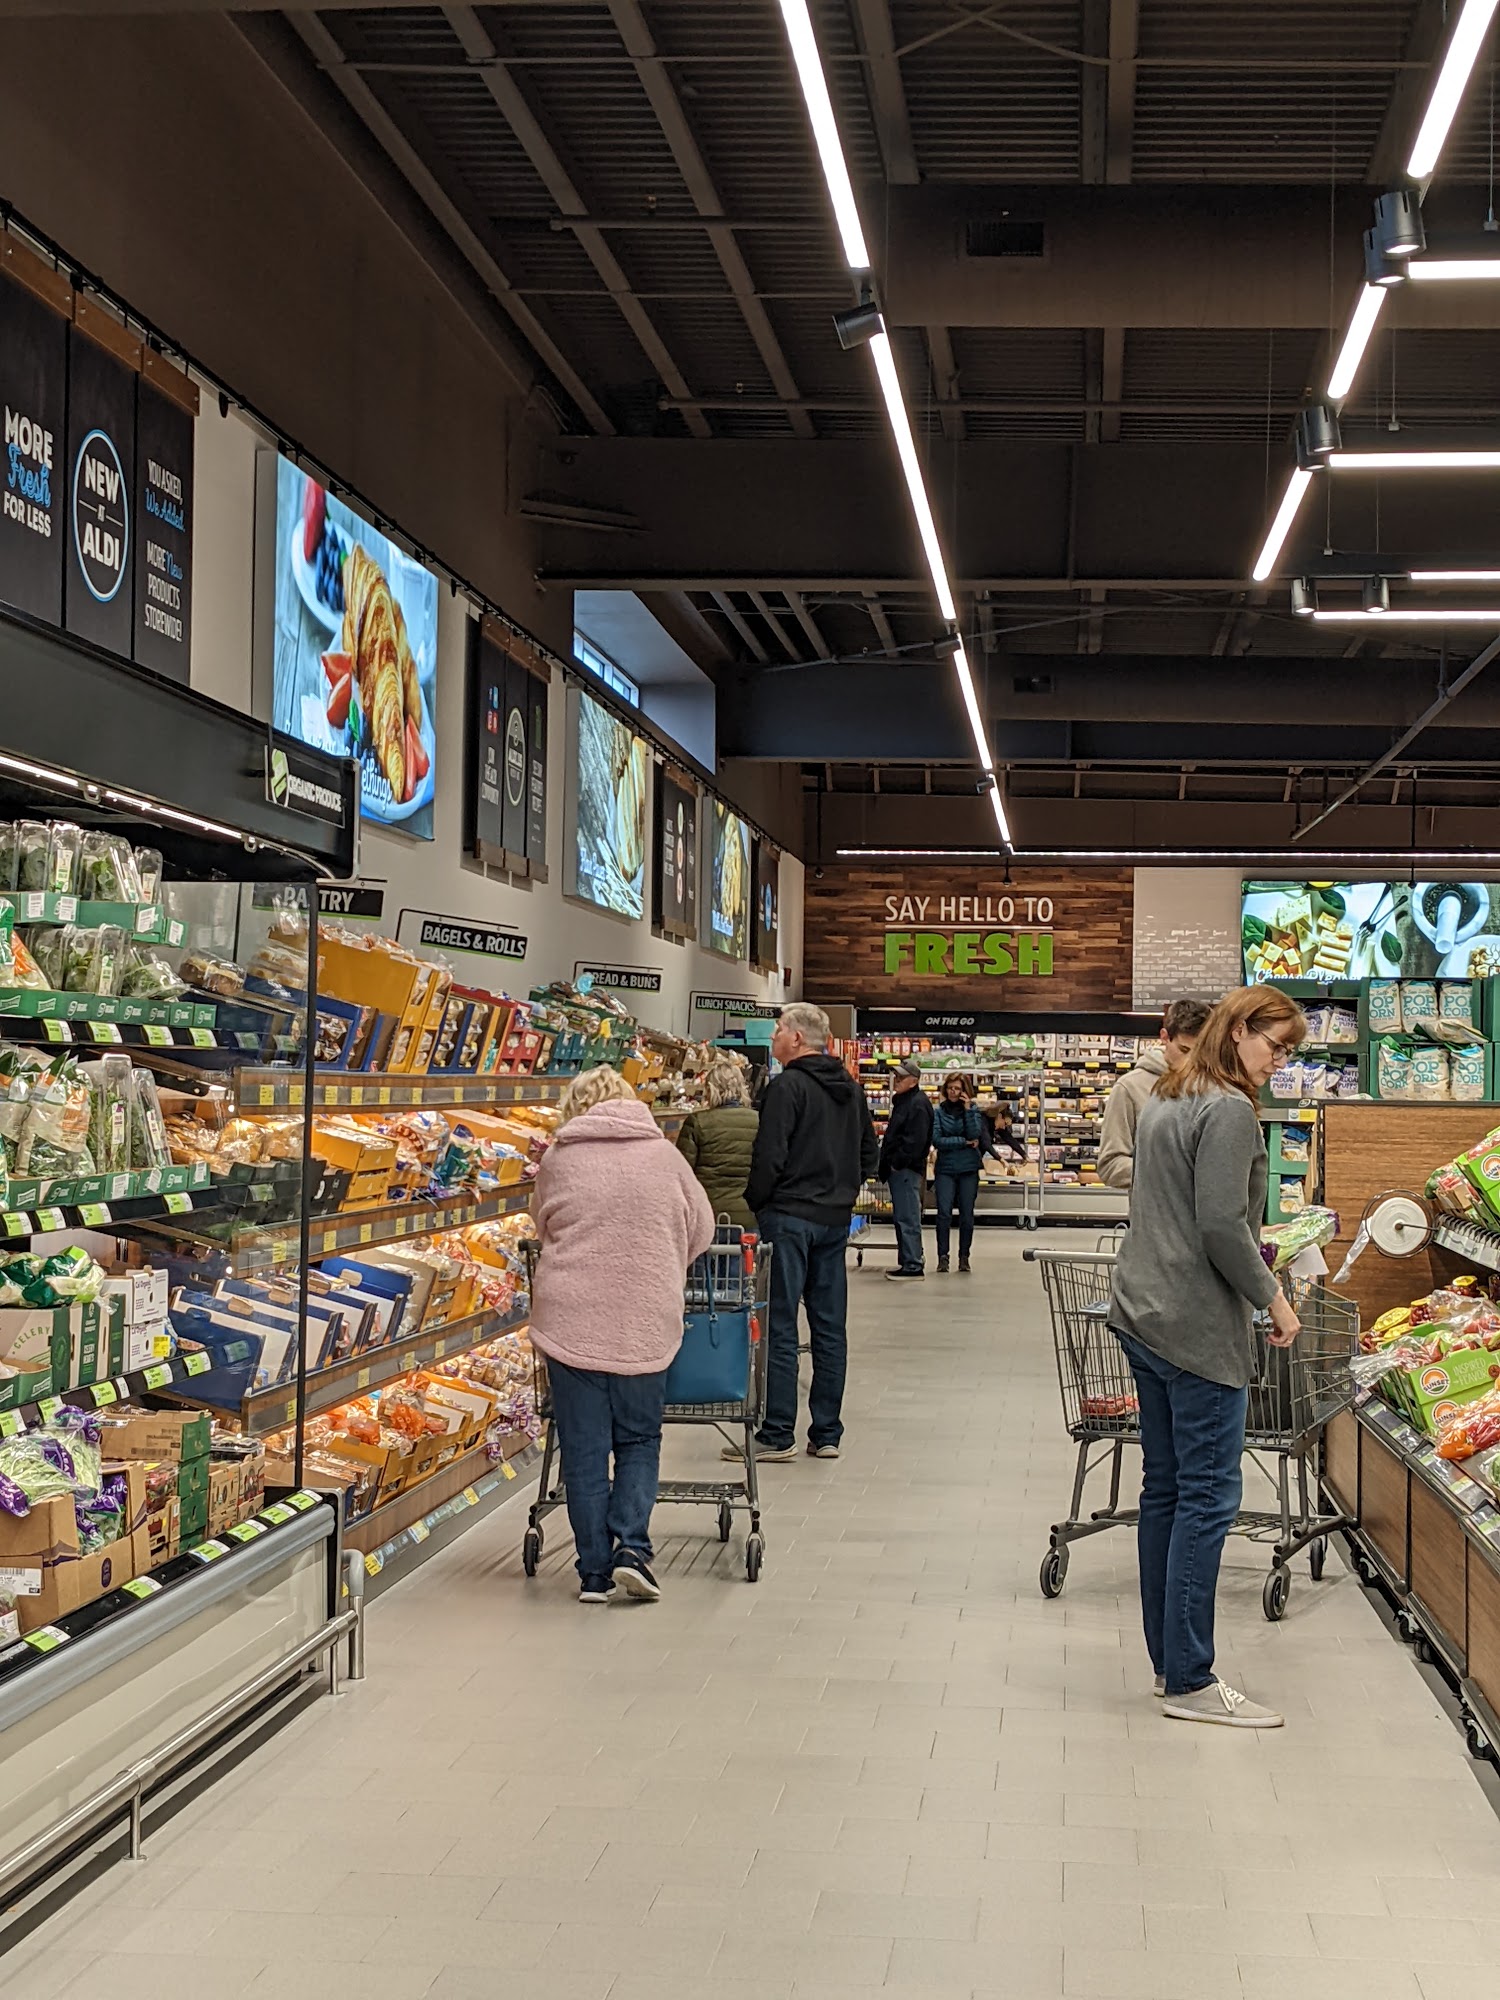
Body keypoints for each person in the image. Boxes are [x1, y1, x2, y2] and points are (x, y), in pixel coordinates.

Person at [1108, 987, 1305, 1728]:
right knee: (1209, 1496)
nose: (1280, 1063)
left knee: (1165, 1490)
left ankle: (1170, 1664)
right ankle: (1192, 1678)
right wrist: (1274, 1300)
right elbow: (1222, 1225)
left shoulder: (1168, 1095)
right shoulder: (1226, 1110)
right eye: (1276, 1046)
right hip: (1194, 1327)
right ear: (1240, 1029)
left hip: (1144, 1312)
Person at [529, 1066, 715, 1605]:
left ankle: (593, 1573)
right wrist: (662, 1261)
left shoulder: (559, 1158)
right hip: (644, 1318)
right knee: (638, 1438)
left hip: (570, 1321)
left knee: (584, 1450)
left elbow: (541, 1224)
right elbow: (702, 1228)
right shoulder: (665, 1156)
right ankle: (632, 1548)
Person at [732, 1002, 878, 1462]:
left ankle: (778, 1433)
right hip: (834, 1221)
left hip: (789, 1218)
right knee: (830, 1328)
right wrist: (842, 1192)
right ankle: (827, 1432)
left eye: (778, 1029)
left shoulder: (786, 1087)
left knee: (780, 1324)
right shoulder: (851, 1090)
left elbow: (769, 1155)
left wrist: (760, 1202)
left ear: (796, 1038)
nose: (773, 1037)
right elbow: (869, 1154)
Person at [1097, 997, 1213, 1191]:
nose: (1191, 1062)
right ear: (1164, 1037)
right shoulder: (1129, 1087)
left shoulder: (1214, 1087)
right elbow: (1110, 1165)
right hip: (1155, 1209)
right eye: (1183, 1050)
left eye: (1200, 1053)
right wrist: (1170, 1171)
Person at [676, 1057, 759, 1231]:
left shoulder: (697, 1122)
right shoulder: (759, 1121)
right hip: (748, 1215)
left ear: (710, 1089)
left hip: (707, 1216)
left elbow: (682, 1174)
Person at [878, 1057, 933, 1281]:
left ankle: (913, 1265)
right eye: (896, 1076)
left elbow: (915, 1142)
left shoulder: (917, 1104)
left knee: (907, 1217)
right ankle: (909, 1259)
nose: (897, 1080)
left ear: (914, 1081)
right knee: (904, 1216)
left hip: (906, 1170)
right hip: (902, 1170)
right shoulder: (906, 1101)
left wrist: (896, 1163)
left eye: (901, 1077)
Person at [931, 1073, 984, 1274]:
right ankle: (942, 1257)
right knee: (943, 1213)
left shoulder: (973, 1110)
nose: (953, 1092)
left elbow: (975, 1133)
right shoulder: (938, 1112)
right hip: (945, 1168)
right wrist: (963, 1142)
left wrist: (968, 1110)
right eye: (950, 1088)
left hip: (968, 1169)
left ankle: (964, 1257)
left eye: (958, 1089)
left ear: (965, 1091)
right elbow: (937, 1140)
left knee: (967, 1215)